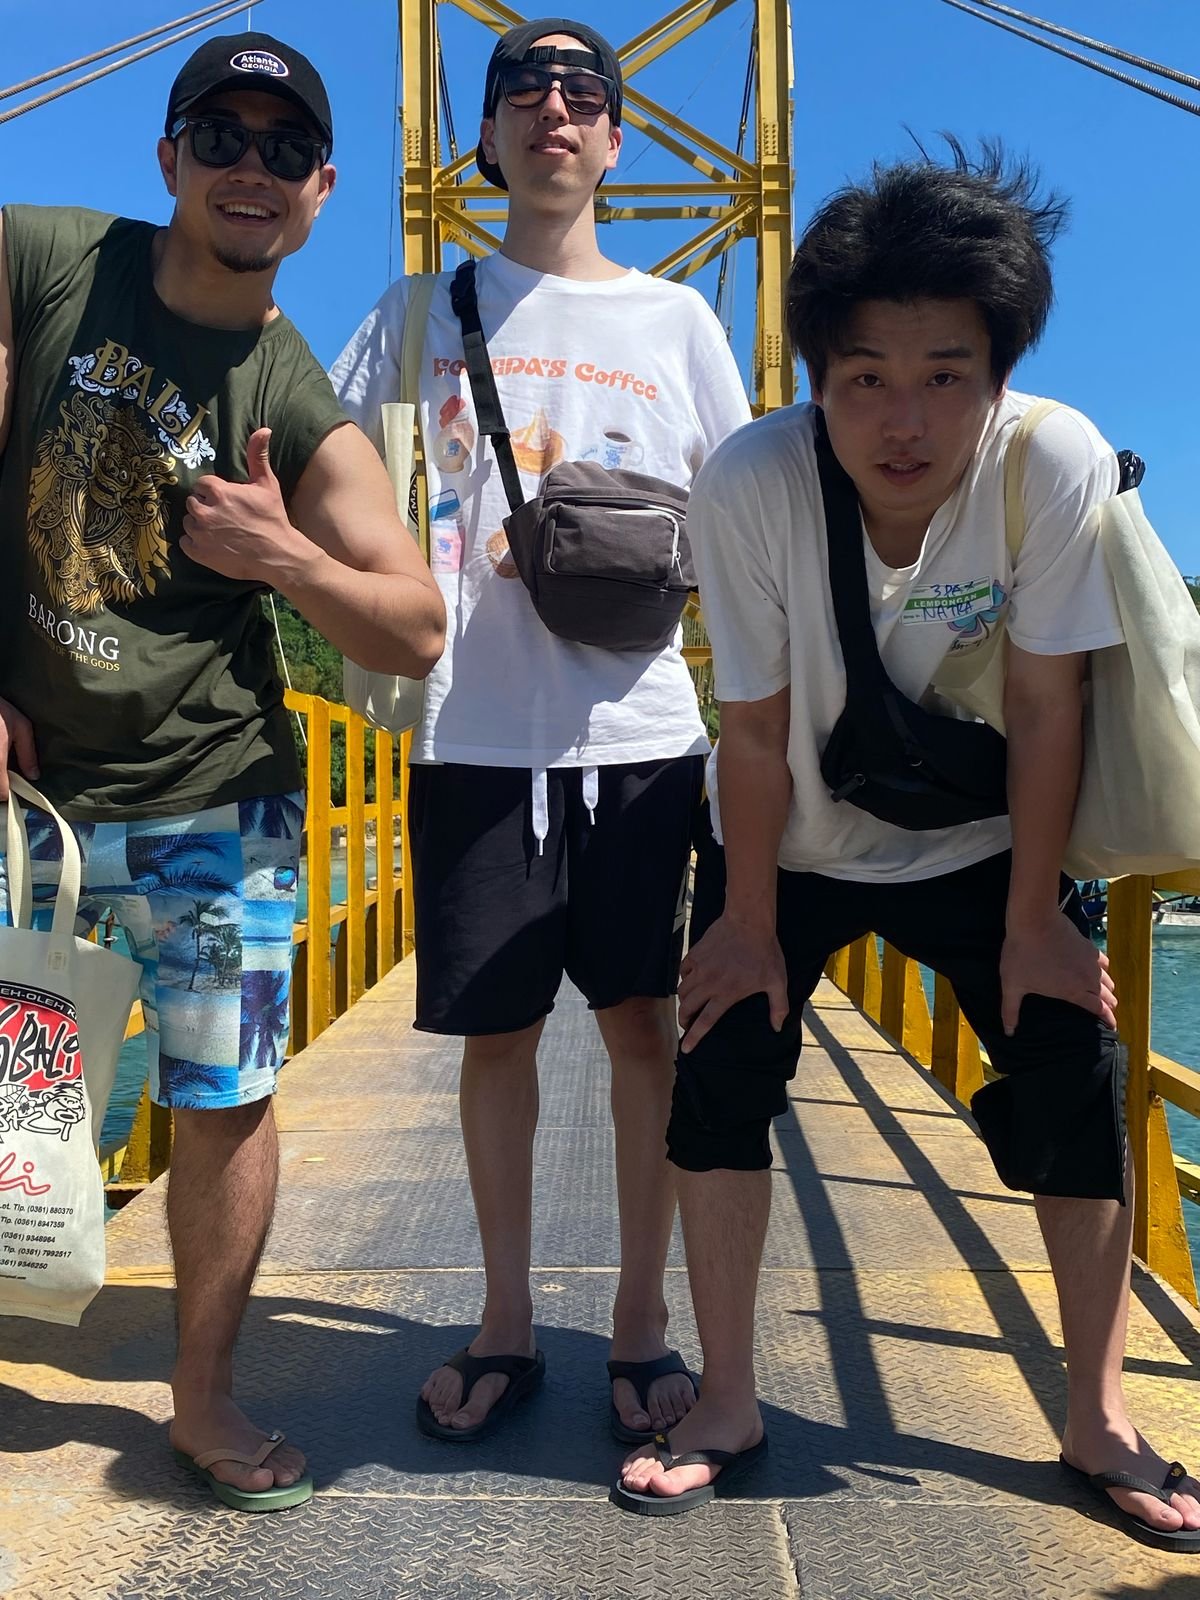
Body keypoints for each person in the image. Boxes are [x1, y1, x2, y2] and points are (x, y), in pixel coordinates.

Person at [615, 142, 1200, 1550]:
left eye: (948, 373)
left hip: (986, 835)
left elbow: (1052, 703)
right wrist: (745, 923)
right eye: (865, 375)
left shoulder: (1050, 460)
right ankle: (729, 1400)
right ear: (815, 378)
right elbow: (753, 729)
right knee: (722, 1068)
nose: (905, 417)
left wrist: (1036, 922)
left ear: (1000, 376)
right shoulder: (749, 482)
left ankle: (1099, 1415)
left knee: (1075, 1071)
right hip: (789, 836)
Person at [0, 32, 445, 1510]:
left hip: (217, 797)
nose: (250, 166)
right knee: (14, 1083)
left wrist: (283, 557)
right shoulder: (48, 259)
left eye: (284, 147)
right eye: (221, 136)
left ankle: (201, 1397)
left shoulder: (293, 394)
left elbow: (415, 621)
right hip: (32, 804)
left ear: (322, 190)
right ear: (168, 157)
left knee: (222, 1097)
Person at [332, 18, 750, 1444]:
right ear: (486, 136)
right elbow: (331, 465)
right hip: (474, 730)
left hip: (642, 733)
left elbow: (748, 518)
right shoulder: (417, 311)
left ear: (617, 138)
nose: (553, 107)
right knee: (495, 1035)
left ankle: (640, 1321)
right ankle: (505, 1317)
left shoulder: (679, 323)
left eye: (584, 90)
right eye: (522, 86)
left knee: (643, 1027)